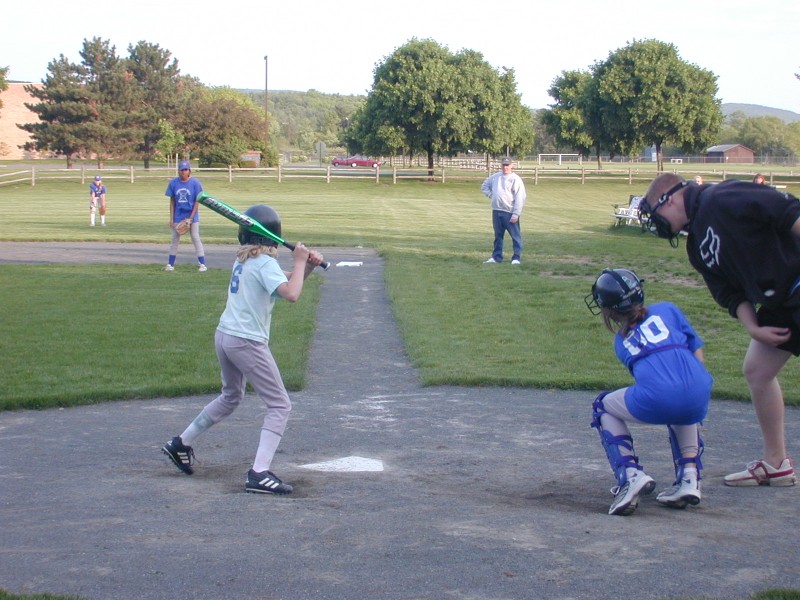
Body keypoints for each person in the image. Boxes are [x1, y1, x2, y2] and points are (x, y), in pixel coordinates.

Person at [640, 173, 799, 487]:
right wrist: (753, 326)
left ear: (669, 199)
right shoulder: (696, 245)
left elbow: (787, 211)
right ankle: (776, 462)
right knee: (757, 371)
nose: (655, 223)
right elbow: (728, 293)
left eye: (656, 214)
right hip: (781, 304)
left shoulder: (721, 197)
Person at [162, 204, 325, 494]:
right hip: (246, 341)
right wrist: (300, 261)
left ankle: (180, 443)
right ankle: (259, 473)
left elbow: (285, 281)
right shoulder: (264, 263)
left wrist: (306, 266)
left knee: (231, 396)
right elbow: (292, 294)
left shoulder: (247, 260)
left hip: (225, 336)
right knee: (280, 404)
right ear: (273, 236)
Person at [585, 268, 712, 515]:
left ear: (609, 310)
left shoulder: (621, 340)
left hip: (660, 395)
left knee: (603, 406)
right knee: (681, 406)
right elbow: (697, 353)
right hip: (700, 387)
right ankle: (689, 477)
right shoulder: (668, 309)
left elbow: (654, 381)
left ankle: (630, 475)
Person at [481, 157, 526, 265]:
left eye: (507, 165)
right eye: (503, 165)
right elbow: (484, 186)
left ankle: (516, 258)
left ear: (511, 166)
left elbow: (520, 197)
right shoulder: (496, 177)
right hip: (496, 211)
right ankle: (496, 257)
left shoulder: (515, 179)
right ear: (501, 166)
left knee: (515, 236)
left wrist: (516, 213)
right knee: (498, 236)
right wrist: (491, 195)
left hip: (509, 212)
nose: (505, 167)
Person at [164, 160, 207, 272]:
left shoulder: (195, 183)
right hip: (178, 215)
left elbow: (197, 201)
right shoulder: (174, 183)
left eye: (186, 170)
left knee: (195, 237)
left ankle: (202, 264)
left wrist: (191, 218)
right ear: (178, 171)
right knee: (174, 239)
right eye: (182, 170)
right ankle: (170, 264)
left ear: (189, 171)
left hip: (192, 215)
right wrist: (171, 219)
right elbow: (172, 202)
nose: (183, 172)